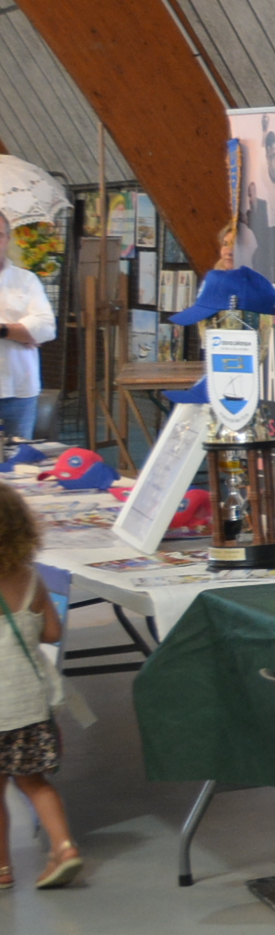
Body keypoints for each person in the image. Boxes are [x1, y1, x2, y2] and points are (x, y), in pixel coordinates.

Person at [0, 483, 77, 889]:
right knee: (34, 783)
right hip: (29, 707)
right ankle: (64, 848)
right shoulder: (32, 580)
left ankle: (2, 869)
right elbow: (52, 632)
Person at [0, 215, 53, 442]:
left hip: (20, 389)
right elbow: (32, 330)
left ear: (7, 239)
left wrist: (3, 330)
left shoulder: (26, 280)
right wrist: (21, 332)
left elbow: (46, 327)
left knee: (19, 459)